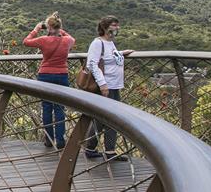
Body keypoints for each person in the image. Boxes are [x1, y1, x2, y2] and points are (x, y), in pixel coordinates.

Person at [85, 16, 134, 161]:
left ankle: (90, 148)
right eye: (114, 25)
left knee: (101, 119)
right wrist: (103, 84)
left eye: (118, 25)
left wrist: (121, 53)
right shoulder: (97, 43)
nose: (117, 28)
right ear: (105, 27)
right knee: (112, 119)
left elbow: (110, 57)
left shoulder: (110, 43)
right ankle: (110, 152)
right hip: (107, 86)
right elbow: (92, 64)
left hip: (114, 85)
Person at [23, 12, 75, 149]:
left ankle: (48, 139)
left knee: (46, 107)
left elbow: (26, 41)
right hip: (62, 75)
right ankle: (61, 140)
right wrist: (59, 29)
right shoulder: (67, 41)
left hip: (45, 75)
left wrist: (37, 28)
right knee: (59, 108)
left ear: (49, 27)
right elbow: (71, 38)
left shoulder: (43, 40)